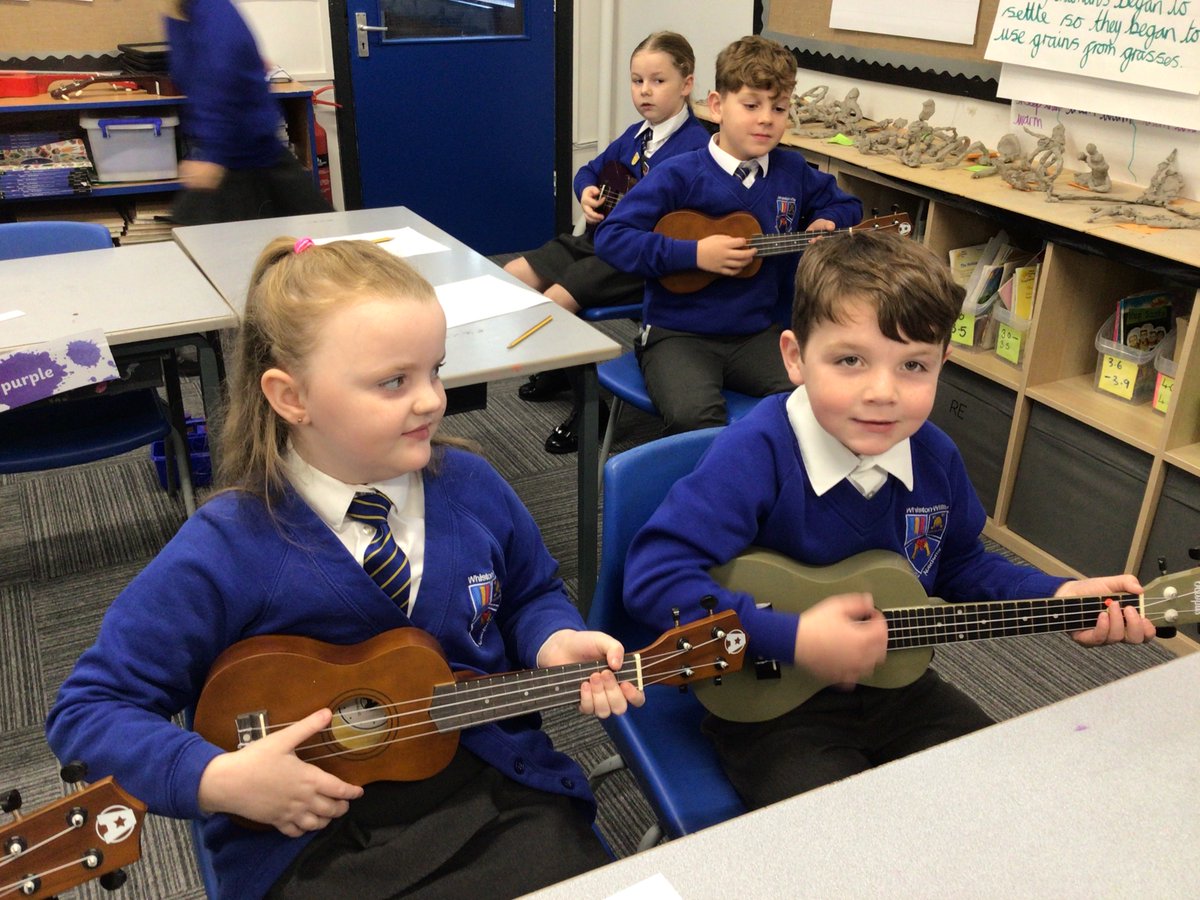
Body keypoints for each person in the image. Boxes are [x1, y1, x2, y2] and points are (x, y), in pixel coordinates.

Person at [46, 237, 644, 899]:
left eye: (435, 371)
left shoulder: (471, 485)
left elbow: (530, 590)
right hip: (308, 833)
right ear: (291, 396)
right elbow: (89, 710)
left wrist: (553, 637)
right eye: (395, 381)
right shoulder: (229, 544)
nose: (432, 401)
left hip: (490, 784)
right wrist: (216, 779)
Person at [622, 229, 1156, 810]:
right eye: (850, 360)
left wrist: (1059, 593)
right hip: (767, 700)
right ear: (796, 358)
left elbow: (959, 563)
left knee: (999, 792)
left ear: (943, 364)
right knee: (850, 833)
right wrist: (794, 636)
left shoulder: (934, 456)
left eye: (913, 366)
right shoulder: (756, 454)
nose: (883, 392)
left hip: (895, 684)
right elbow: (656, 577)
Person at [594, 35, 862, 435]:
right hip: (677, 334)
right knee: (696, 419)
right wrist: (693, 255)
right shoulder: (679, 174)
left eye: (780, 107)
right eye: (751, 105)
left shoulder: (792, 170)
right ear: (717, 106)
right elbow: (612, 236)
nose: (766, 118)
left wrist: (828, 220)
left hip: (756, 334)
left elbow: (847, 206)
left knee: (819, 401)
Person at [508, 31, 710, 453]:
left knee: (556, 302)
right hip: (600, 240)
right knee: (514, 278)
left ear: (687, 84)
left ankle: (589, 408)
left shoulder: (696, 148)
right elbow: (591, 171)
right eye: (637, 81)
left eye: (658, 81)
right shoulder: (637, 135)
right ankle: (561, 366)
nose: (645, 91)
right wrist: (585, 192)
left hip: (637, 256)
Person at [160, 0, 332, 225]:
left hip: (242, 159)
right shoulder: (189, 13)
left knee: (320, 243)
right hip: (235, 156)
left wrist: (213, 155)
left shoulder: (215, 12)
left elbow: (224, 80)